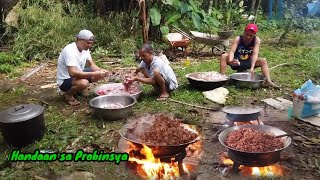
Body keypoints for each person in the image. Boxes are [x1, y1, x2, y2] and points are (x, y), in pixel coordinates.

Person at [56, 29, 108, 105]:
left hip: (77, 74)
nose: (90, 46)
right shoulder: (70, 50)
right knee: (84, 83)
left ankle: (77, 90)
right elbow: (72, 73)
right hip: (65, 79)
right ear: (80, 40)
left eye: (91, 43)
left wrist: (101, 71)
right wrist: (95, 73)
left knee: (98, 76)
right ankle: (68, 94)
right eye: (88, 43)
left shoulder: (85, 49)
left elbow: (91, 65)